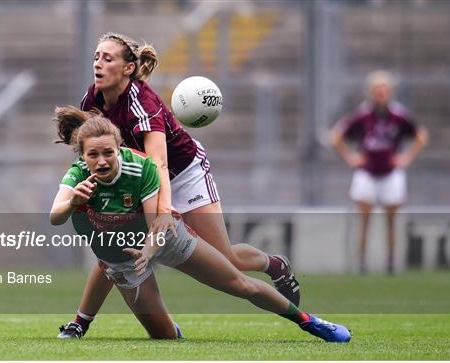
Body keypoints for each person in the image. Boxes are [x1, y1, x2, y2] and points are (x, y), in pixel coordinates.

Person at [57, 32, 301, 337]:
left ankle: (273, 264)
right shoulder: (92, 97)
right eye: (96, 57)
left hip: (183, 174)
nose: (98, 63)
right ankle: (80, 323)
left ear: (128, 68)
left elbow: (158, 163)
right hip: (140, 178)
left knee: (226, 258)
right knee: (114, 249)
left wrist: (162, 210)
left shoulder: (142, 103)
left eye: (108, 58)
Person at [49, 110, 351, 342]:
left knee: (239, 284)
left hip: (167, 239)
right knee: (163, 338)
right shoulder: (77, 176)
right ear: (82, 156)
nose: (101, 161)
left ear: (119, 148)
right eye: (93, 155)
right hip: (124, 258)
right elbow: (55, 216)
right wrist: (73, 202)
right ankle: (125, 324)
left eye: (108, 153)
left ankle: (309, 321)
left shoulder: (142, 167)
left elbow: (157, 222)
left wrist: (148, 251)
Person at [331, 70, 428, 275]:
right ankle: (362, 261)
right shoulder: (362, 114)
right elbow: (337, 136)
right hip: (367, 172)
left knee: (391, 219)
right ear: (370, 92)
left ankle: (391, 261)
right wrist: (351, 157)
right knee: (364, 217)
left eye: (384, 89)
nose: (381, 93)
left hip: (390, 172)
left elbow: (421, 135)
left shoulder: (398, 115)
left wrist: (406, 157)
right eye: (377, 90)